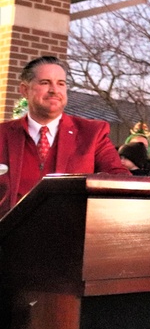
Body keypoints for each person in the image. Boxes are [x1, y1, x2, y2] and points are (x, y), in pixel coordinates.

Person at [0, 55, 129, 215]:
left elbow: (120, 179)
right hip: (8, 236)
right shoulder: (2, 135)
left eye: (60, 83)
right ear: (25, 90)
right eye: (45, 83)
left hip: (69, 233)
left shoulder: (92, 133)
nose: (54, 90)